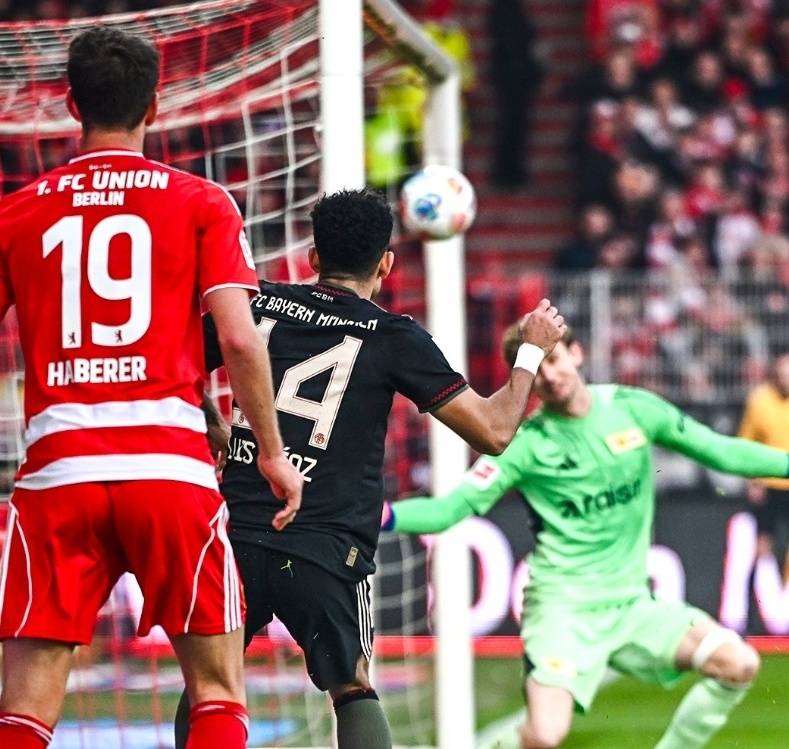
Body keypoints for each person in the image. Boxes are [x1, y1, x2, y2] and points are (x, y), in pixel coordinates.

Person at [174, 188, 567, 749]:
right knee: (352, 688)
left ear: (313, 256)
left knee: (210, 685)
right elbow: (495, 431)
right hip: (326, 546)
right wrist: (530, 351)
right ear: (386, 264)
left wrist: (213, 421)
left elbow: (173, 362)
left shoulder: (257, 303)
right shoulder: (394, 337)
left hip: (237, 534)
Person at [0, 27, 303, 749]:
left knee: (22, 712)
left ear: (71, 104)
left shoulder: (18, 211)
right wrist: (270, 452)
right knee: (217, 693)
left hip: (58, 477)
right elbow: (239, 338)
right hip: (170, 470)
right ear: (156, 105)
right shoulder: (201, 201)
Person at [383, 324, 789, 749]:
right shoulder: (524, 445)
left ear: (576, 353)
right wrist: (384, 515)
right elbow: (449, 509)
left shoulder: (633, 409)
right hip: (563, 609)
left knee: (738, 663)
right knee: (544, 735)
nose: (549, 376)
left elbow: (722, 451)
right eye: (535, 370)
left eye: (554, 360)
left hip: (632, 605)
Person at [738, 350, 789, 579]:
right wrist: (752, 480)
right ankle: (756, 589)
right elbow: (746, 443)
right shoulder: (760, 401)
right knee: (763, 540)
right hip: (769, 483)